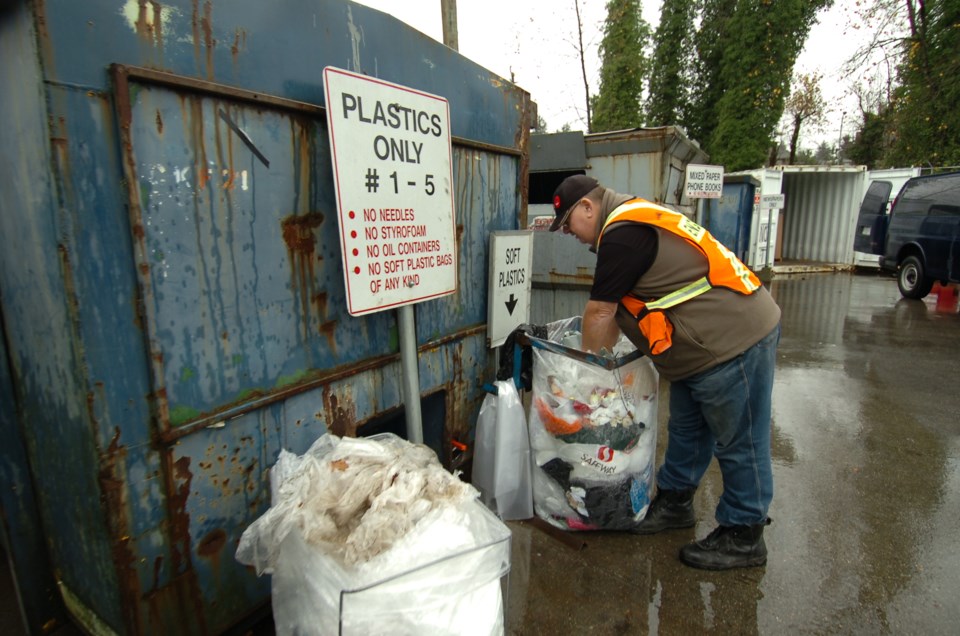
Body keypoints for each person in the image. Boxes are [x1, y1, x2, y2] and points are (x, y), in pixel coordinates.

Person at [547, 174, 781, 570]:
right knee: (688, 428)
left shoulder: (622, 231)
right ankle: (675, 503)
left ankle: (745, 533)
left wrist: (587, 380)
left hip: (733, 339)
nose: (570, 233)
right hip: (698, 349)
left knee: (739, 440)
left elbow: (601, 311)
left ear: (589, 207)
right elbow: (627, 304)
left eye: (569, 224)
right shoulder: (632, 216)